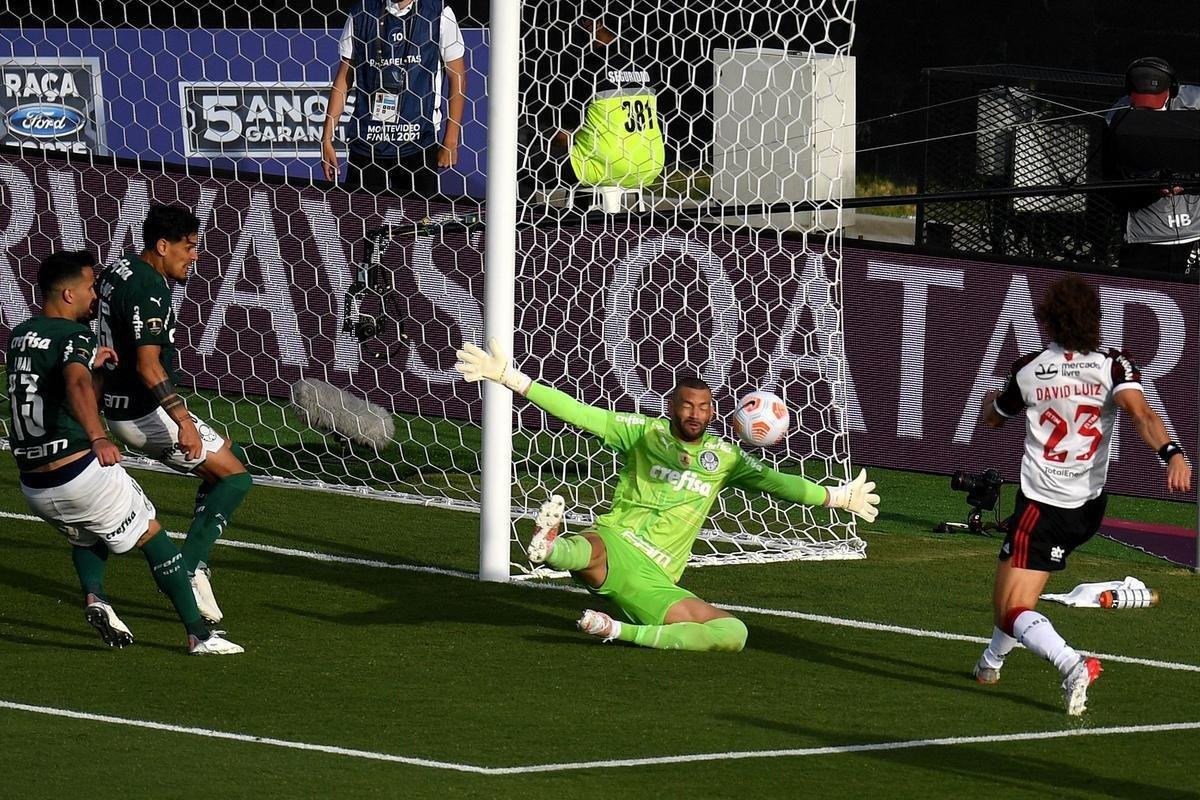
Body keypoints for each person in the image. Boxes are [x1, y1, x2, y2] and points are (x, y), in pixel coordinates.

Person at [455, 339, 879, 652]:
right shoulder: (642, 432)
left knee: (734, 633)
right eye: (688, 405)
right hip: (618, 541)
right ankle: (551, 549)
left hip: (656, 580)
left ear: (714, 412)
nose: (696, 414)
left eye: (704, 407)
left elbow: (780, 484)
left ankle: (616, 629)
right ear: (671, 405)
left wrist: (837, 498)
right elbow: (580, 413)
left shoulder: (725, 458)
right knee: (593, 549)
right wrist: (511, 378)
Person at [971, 275, 1191, 714]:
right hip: (1088, 507)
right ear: (1094, 321)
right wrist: (1172, 454)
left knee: (1010, 608)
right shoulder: (1114, 366)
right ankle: (989, 664)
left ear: (1048, 322)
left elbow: (993, 419)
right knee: (1013, 586)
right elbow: (1142, 414)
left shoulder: (1029, 369)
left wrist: (991, 400)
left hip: (1042, 507)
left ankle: (1072, 664)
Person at [5, 250, 242, 655]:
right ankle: (198, 635)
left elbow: (56, 384)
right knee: (152, 534)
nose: (95, 295)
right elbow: (77, 385)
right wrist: (99, 437)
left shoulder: (20, 335)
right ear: (68, 294)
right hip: (79, 470)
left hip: (34, 485)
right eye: (89, 287)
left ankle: (96, 597)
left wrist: (94, 365)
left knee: (86, 534)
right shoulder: (76, 336)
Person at [96, 204, 253, 625]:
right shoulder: (151, 289)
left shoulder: (118, 269)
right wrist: (183, 422)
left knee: (227, 457)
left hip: (119, 404)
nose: (195, 256)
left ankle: (194, 564)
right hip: (144, 412)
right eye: (190, 247)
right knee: (236, 479)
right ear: (162, 246)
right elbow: (149, 366)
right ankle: (189, 567)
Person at [321, 0, 467, 198]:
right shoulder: (361, 13)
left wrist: (450, 141)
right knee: (361, 216)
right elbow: (343, 79)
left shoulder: (439, 13)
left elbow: (457, 77)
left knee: (417, 217)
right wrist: (326, 139)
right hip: (368, 142)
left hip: (417, 143)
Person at [523, 11, 665, 203]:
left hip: (607, 166)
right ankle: (581, 214)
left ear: (596, 24)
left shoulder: (590, 69)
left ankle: (523, 217)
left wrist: (543, 139)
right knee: (584, 152)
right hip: (650, 164)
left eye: (584, 21)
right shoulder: (646, 64)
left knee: (520, 159)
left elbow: (564, 136)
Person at [1106, 57, 1200, 275]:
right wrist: (1151, 188)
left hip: (1192, 223)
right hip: (1146, 229)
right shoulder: (1118, 116)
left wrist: (1187, 183)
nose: (1148, 108)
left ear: (1172, 90)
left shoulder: (1195, 102)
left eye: (1155, 101)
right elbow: (1115, 177)